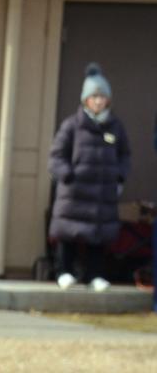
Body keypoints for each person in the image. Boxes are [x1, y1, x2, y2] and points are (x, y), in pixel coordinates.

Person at [49, 63, 131, 292]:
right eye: (94, 96)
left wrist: (119, 176)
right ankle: (64, 271)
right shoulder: (71, 126)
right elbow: (56, 156)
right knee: (68, 235)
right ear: (85, 99)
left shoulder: (116, 127)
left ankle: (94, 275)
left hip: (101, 194)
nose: (98, 101)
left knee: (98, 236)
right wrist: (67, 175)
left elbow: (125, 155)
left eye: (102, 97)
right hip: (74, 193)